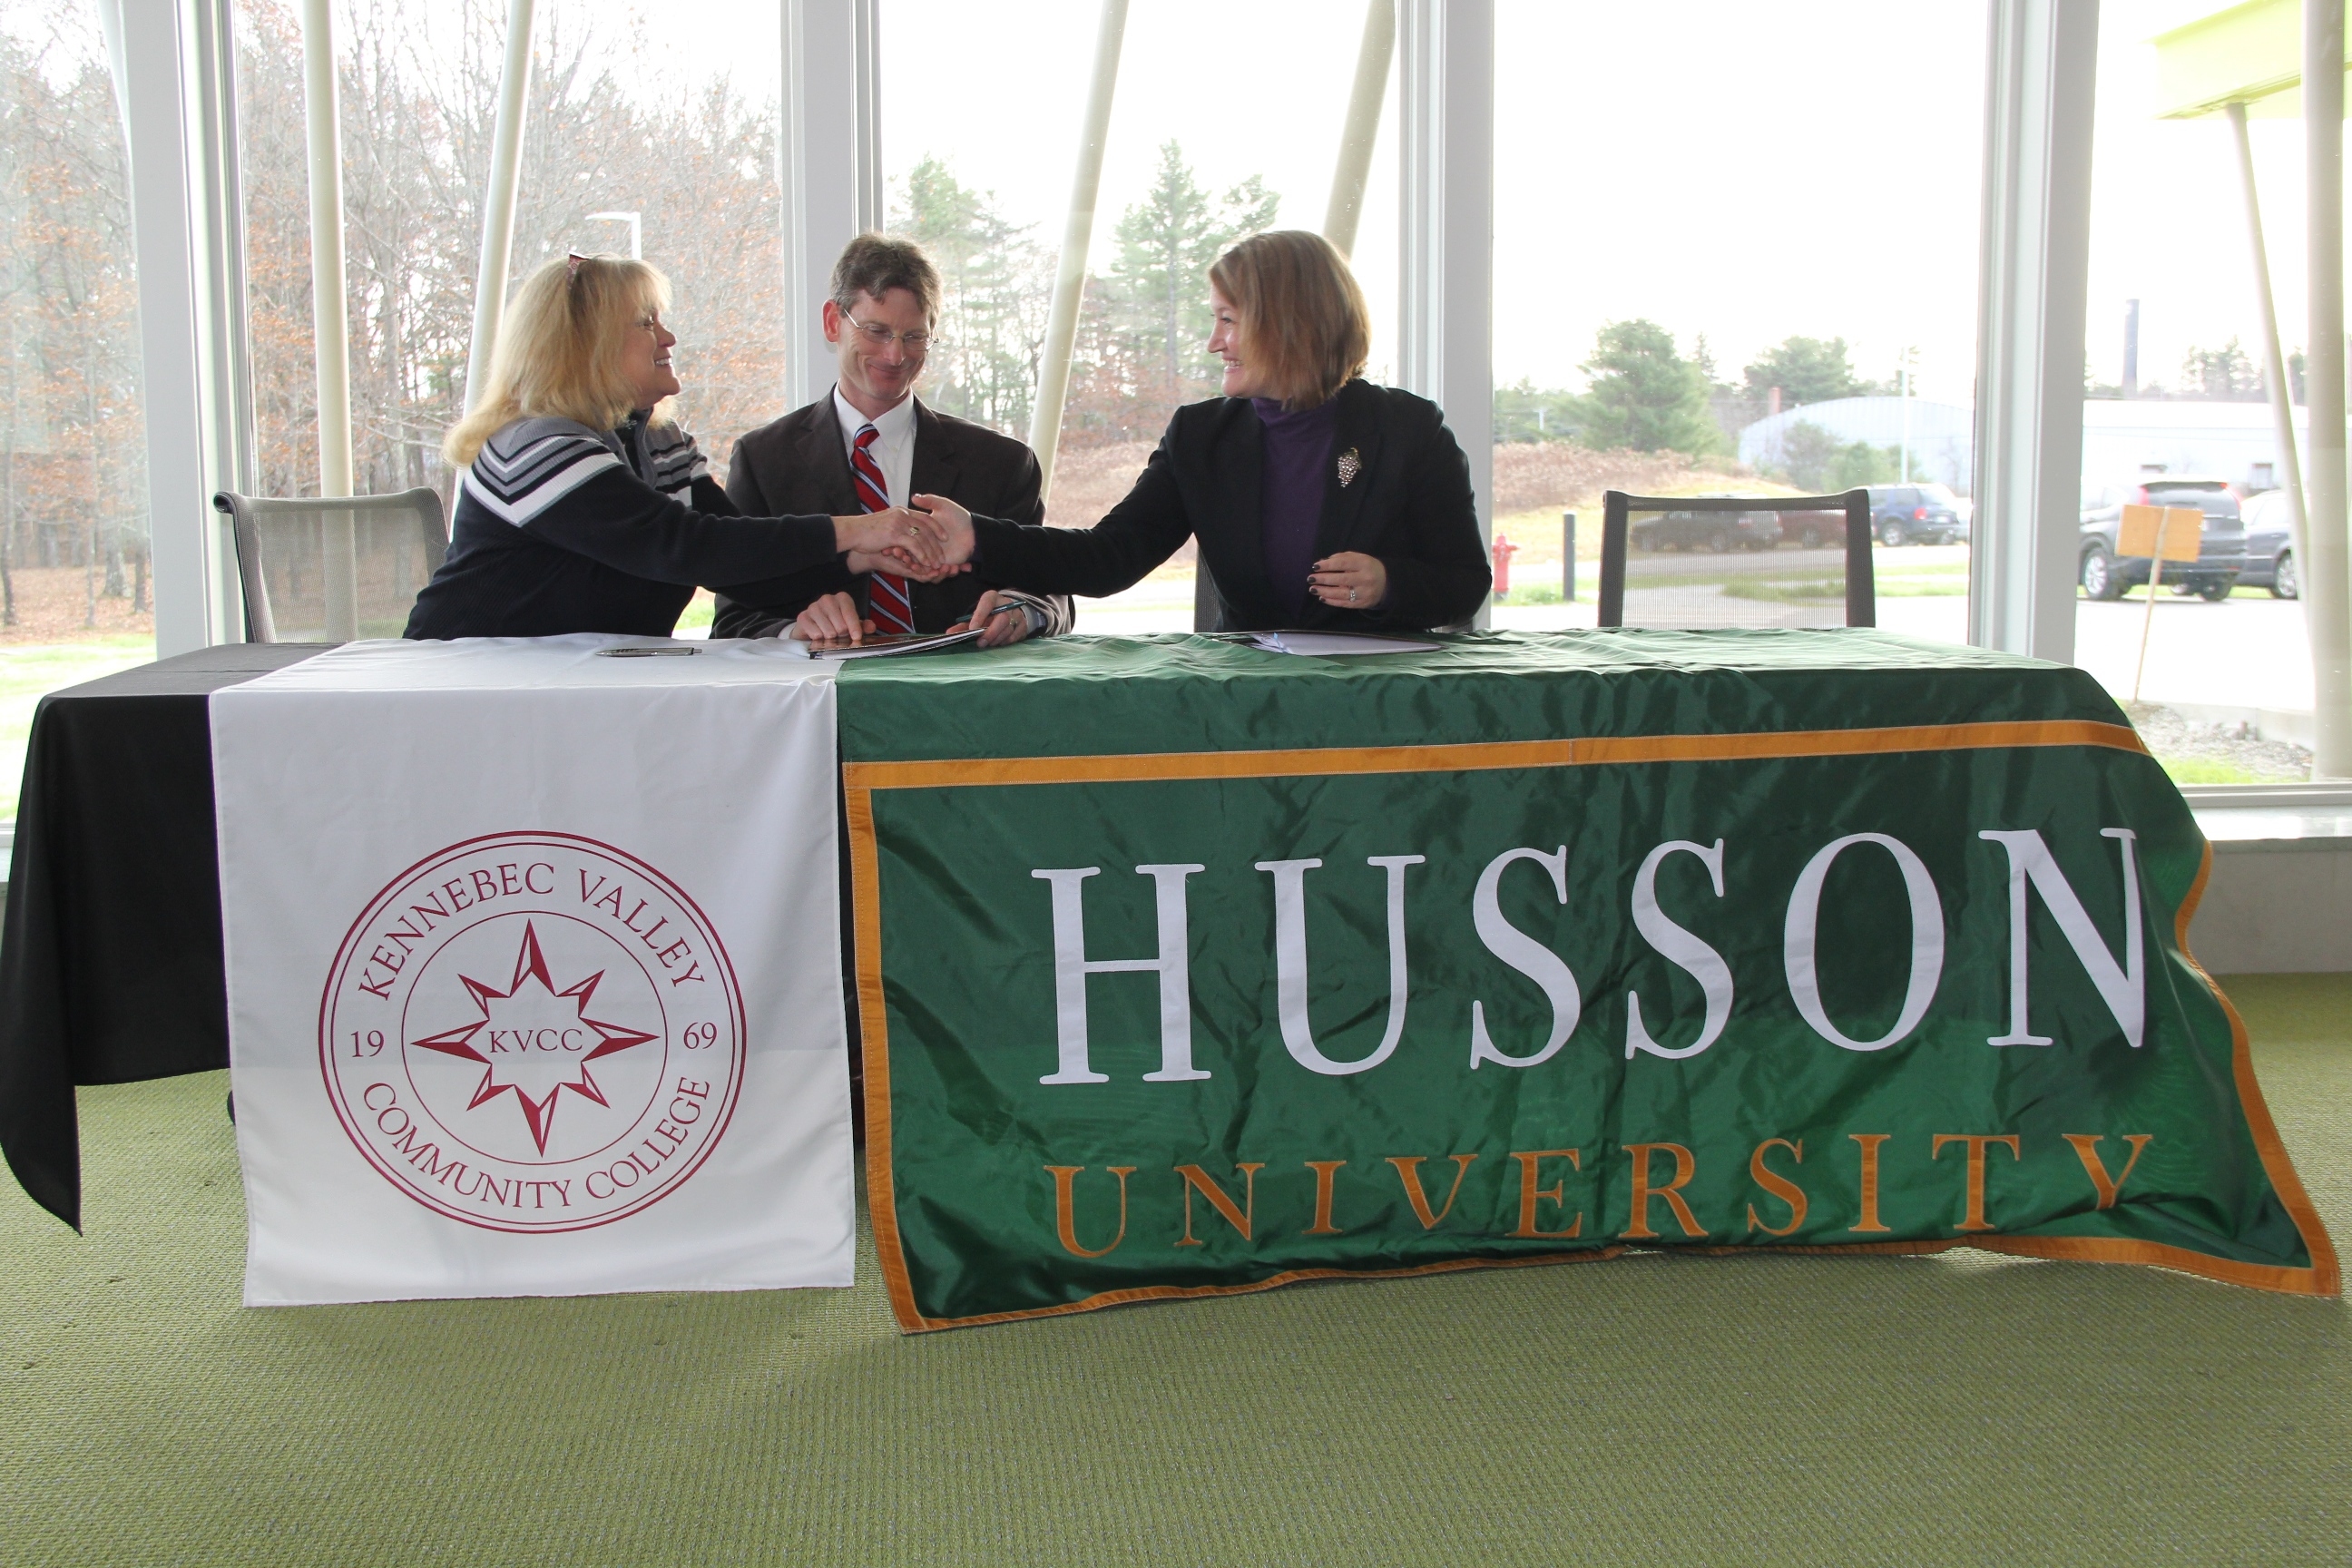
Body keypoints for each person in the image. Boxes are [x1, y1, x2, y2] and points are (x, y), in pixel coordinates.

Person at [909, 230, 1490, 632]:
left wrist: (1391, 584)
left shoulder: (1410, 430)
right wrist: (979, 537)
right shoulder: (1201, 436)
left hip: (1385, 713)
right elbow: (1108, 558)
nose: (1214, 342)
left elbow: (1464, 583)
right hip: (1257, 714)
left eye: (1228, 320)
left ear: (1287, 323)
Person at [406, 253, 950, 641]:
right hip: (463, 690)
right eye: (646, 322)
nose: (667, 338)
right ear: (586, 345)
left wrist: (861, 558)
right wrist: (862, 527)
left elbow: (737, 563)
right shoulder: (533, 445)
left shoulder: (657, 442)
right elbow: (682, 545)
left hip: (568, 696)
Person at [710, 234, 1069, 648]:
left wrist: (1021, 612)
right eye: (877, 331)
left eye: (914, 337)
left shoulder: (1002, 462)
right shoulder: (763, 460)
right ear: (832, 322)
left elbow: (1051, 591)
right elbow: (732, 620)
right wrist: (795, 631)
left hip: (962, 695)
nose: (896, 356)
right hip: (822, 702)